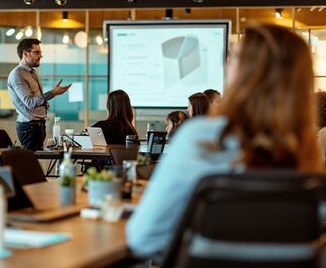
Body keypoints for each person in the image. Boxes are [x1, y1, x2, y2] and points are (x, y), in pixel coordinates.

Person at [127, 24, 324, 258]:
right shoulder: (311, 156)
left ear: (239, 76)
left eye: (231, 61)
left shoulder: (200, 138)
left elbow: (143, 239)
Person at [7, 38, 71, 151]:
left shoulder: (32, 72)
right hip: (29, 127)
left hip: (38, 125)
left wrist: (43, 104)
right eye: (37, 52)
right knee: (30, 164)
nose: (41, 56)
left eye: (40, 52)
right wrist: (52, 93)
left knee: (33, 163)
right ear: (26, 53)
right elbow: (30, 102)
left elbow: (35, 100)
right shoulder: (17, 74)